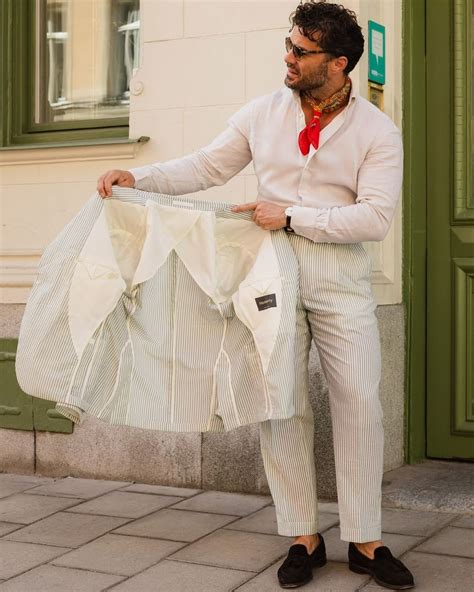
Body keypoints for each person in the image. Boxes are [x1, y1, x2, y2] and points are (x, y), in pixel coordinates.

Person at [97, 1, 414, 589]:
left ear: (339, 62)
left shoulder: (377, 130)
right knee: (281, 402)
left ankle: (367, 541)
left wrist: (290, 215)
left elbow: (374, 220)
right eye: (288, 45)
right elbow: (206, 166)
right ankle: (303, 535)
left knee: (360, 402)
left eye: (301, 51)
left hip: (340, 276)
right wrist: (138, 177)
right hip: (268, 276)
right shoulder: (262, 113)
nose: (287, 58)